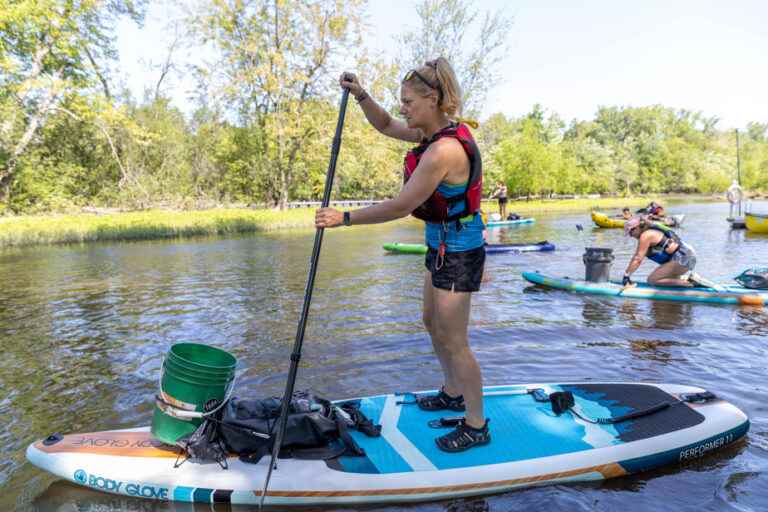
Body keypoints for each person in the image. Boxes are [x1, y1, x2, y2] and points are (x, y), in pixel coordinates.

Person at [315, 58, 490, 452]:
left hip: (459, 246)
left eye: (409, 101)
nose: (403, 108)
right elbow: (384, 124)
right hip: (441, 240)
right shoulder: (428, 136)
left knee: (455, 338)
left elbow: (400, 205)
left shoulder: (443, 150)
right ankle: (451, 393)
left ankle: (477, 425)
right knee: (431, 321)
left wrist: (344, 217)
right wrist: (361, 95)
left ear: (433, 99)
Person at [622, 216, 698, 288]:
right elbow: (636, 257)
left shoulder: (646, 235)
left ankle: (690, 283)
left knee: (652, 280)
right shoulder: (649, 233)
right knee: (666, 280)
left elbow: (638, 259)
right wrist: (627, 274)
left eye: (630, 232)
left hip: (683, 257)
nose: (630, 235)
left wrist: (626, 276)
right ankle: (685, 282)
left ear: (638, 227)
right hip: (686, 256)